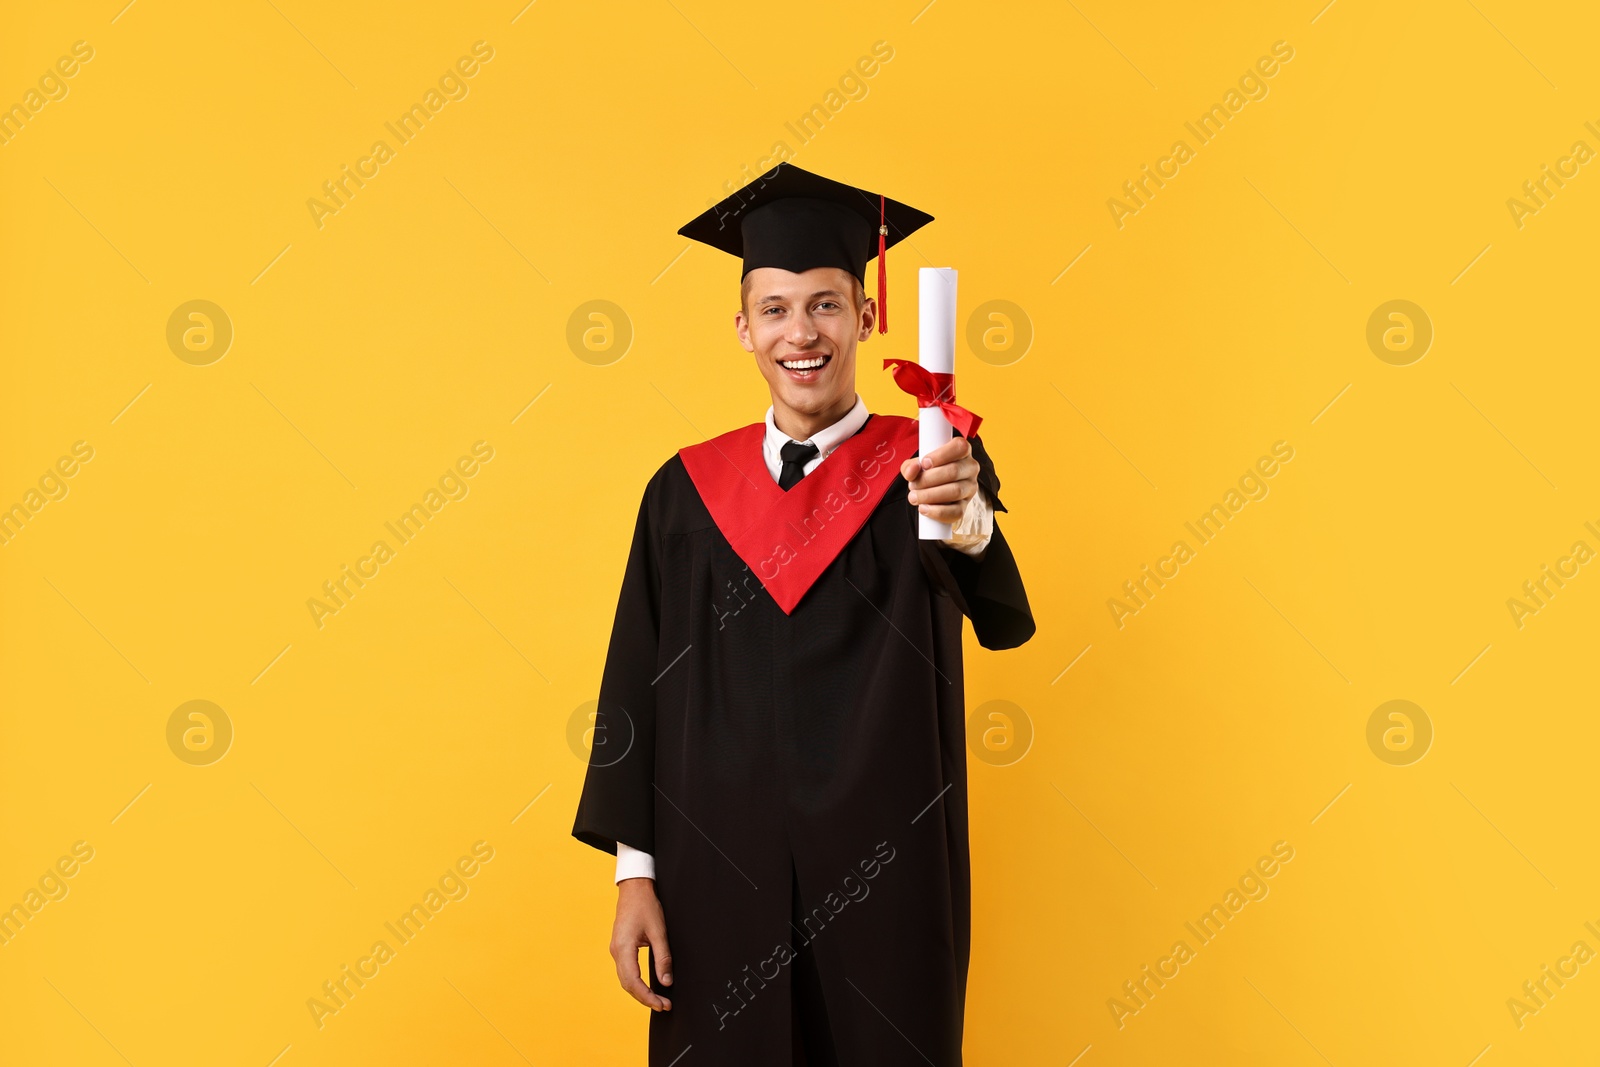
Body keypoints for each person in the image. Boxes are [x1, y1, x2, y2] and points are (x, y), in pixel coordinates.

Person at [572, 162, 1035, 1065]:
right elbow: (636, 681)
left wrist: (966, 519)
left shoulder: (929, 465)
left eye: (825, 304)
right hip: (717, 874)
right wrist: (636, 875)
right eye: (776, 308)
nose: (802, 332)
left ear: (866, 317)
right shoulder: (684, 492)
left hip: (888, 872)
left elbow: (999, 608)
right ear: (742, 327)